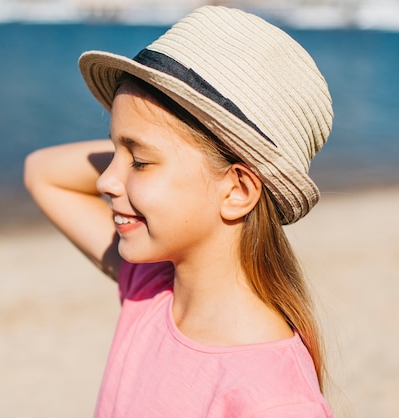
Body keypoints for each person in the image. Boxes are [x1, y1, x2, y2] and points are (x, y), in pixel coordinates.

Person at [24, 5, 334, 417]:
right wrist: (136, 145)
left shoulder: (275, 400)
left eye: (140, 162)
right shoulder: (153, 291)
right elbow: (41, 172)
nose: (105, 182)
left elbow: (46, 174)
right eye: (114, 151)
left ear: (238, 190)